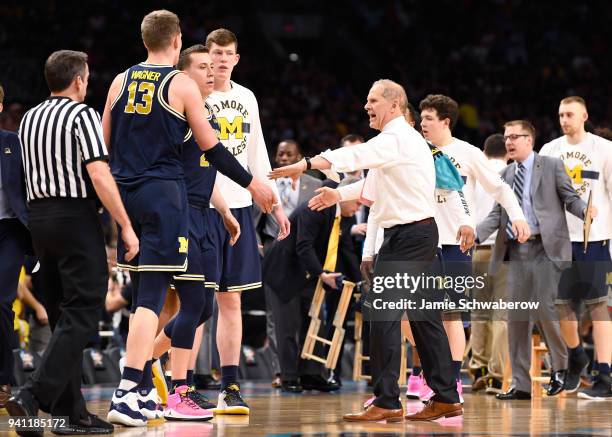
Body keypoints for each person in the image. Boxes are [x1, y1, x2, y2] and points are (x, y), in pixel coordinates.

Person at [103, 11, 275, 427]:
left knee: (161, 297)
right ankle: (131, 388)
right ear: (177, 41)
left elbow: (104, 141)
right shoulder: (178, 84)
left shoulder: (120, 80)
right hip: (165, 198)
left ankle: (141, 388)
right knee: (155, 300)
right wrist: (252, 184)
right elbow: (213, 149)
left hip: (127, 198)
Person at [270, 79, 462, 422]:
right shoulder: (403, 142)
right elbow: (374, 183)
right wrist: (337, 195)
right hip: (418, 235)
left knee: (383, 316)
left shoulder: (396, 137)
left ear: (393, 104)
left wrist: (309, 163)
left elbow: (357, 155)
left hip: (409, 236)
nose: (366, 106)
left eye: (372, 100)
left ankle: (387, 400)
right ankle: (446, 396)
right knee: (424, 319)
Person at [6, 50, 139, 436]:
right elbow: (99, 174)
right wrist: (125, 227)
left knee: (64, 320)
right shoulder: (82, 115)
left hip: (39, 222)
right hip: (75, 218)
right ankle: (32, 395)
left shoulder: (29, 118)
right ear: (79, 80)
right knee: (84, 311)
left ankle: (71, 416)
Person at [150, 44, 241, 421]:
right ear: (184, 76)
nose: (210, 71)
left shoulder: (206, 116)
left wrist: (224, 209)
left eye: (212, 66)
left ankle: (145, 362)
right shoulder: (178, 118)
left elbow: (207, 171)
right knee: (191, 304)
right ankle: (177, 389)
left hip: (206, 215)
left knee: (203, 306)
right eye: (202, 67)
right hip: (183, 215)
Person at [419, 94, 529, 396]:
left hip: (456, 244)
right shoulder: (415, 150)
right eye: (421, 118)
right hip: (420, 241)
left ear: (445, 121)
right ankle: (426, 373)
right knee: (416, 314)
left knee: (451, 314)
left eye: (428, 118)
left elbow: (500, 189)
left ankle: (450, 380)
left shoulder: (467, 153)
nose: (422, 123)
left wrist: (517, 216)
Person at [205, 28, 290, 414]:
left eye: (228, 54)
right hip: (203, 205)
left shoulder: (246, 97)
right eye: (216, 53)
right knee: (190, 305)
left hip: (240, 206)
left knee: (231, 302)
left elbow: (257, 157)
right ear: (205, 55)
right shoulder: (194, 94)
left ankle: (230, 385)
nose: (222, 60)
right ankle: (168, 379)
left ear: (236, 59)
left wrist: (275, 205)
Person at [477, 120, 594, 400]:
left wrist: (585, 211)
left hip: (547, 248)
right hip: (515, 252)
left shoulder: (551, 165)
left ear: (529, 140)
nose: (508, 142)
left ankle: (562, 366)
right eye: (506, 137)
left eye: (514, 137)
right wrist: (475, 235)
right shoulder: (505, 172)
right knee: (516, 318)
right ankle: (521, 384)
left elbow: (570, 198)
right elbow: (497, 214)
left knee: (543, 305)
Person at [540, 96, 612, 400]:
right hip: (559, 241)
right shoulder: (549, 150)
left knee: (598, 306)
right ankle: (576, 356)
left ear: (584, 114)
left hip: (594, 240)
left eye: (569, 114)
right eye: (560, 115)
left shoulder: (604, 149)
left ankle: (605, 374)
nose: (564, 119)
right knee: (559, 306)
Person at [263, 177, 361, 393]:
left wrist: (360, 280)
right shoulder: (317, 207)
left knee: (314, 320)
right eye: (357, 202)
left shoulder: (342, 217)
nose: (359, 207)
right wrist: (321, 273)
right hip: (283, 270)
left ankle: (311, 374)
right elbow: (304, 246)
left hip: (306, 272)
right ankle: (289, 377)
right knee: (288, 325)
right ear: (345, 196)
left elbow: (345, 249)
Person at [256, 139, 322, 388]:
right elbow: (254, 221)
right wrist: (258, 245)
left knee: (306, 314)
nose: (283, 158)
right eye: (280, 154)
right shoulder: (264, 185)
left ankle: (307, 371)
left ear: (299, 158)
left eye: (288, 154)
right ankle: (281, 371)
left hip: (305, 256)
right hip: (275, 254)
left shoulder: (315, 184)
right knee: (277, 318)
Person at [469, 134, 510, 394]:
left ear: (484, 152)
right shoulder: (511, 172)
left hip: (475, 248)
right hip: (504, 251)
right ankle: (496, 375)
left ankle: (478, 368)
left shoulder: (475, 172)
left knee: (479, 312)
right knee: (501, 315)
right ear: (507, 153)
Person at [0, 84, 30, 409]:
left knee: (1, 302)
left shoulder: (13, 143)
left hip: (9, 231)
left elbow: (29, 188)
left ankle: (4, 379)